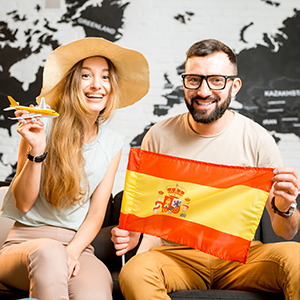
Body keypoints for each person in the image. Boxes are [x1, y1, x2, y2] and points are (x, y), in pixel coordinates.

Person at [111, 39, 300, 300]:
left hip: (240, 258)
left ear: (234, 86)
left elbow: (286, 232)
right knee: (134, 273)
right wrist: (134, 242)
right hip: (178, 258)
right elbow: (150, 217)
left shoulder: (258, 139)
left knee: (298, 258)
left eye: (216, 80)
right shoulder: (158, 136)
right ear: (184, 82)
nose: (203, 91)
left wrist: (286, 206)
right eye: (194, 79)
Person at [0, 37, 149, 300]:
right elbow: (22, 203)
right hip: (24, 244)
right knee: (50, 253)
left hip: (78, 247)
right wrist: (36, 149)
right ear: (72, 84)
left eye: (105, 77)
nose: (96, 85)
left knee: (95, 293)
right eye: (85, 76)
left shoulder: (113, 143)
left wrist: (71, 252)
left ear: (111, 87)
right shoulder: (40, 126)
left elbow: (96, 214)